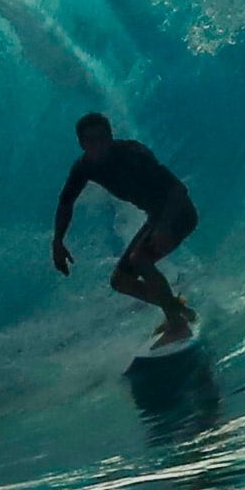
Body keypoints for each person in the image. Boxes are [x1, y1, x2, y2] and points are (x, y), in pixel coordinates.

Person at [52, 112, 200, 344]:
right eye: (92, 141)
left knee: (140, 259)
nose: (100, 146)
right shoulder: (84, 167)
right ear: (82, 144)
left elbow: (178, 190)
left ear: (111, 136)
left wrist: (163, 226)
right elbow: (65, 202)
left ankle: (177, 325)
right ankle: (176, 309)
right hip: (156, 218)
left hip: (178, 214)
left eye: (104, 138)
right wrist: (58, 241)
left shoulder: (132, 155)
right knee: (121, 280)